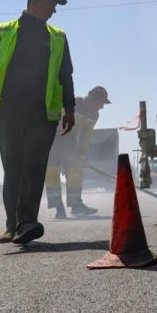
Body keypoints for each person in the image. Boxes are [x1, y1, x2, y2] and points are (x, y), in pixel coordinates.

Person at [0, 0, 75, 245]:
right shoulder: (4, 31)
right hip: (10, 112)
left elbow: (65, 76)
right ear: (35, 2)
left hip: (43, 114)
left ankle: (26, 222)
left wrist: (69, 108)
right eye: (52, 5)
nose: (54, 11)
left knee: (34, 167)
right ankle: (13, 225)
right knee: (13, 168)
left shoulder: (58, 37)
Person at [44, 86, 110, 219]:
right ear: (91, 99)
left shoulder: (94, 115)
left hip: (71, 141)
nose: (102, 107)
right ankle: (58, 207)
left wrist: (83, 153)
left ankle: (76, 205)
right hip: (53, 139)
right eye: (100, 103)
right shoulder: (70, 104)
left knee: (76, 170)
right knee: (52, 172)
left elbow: (86, 136)